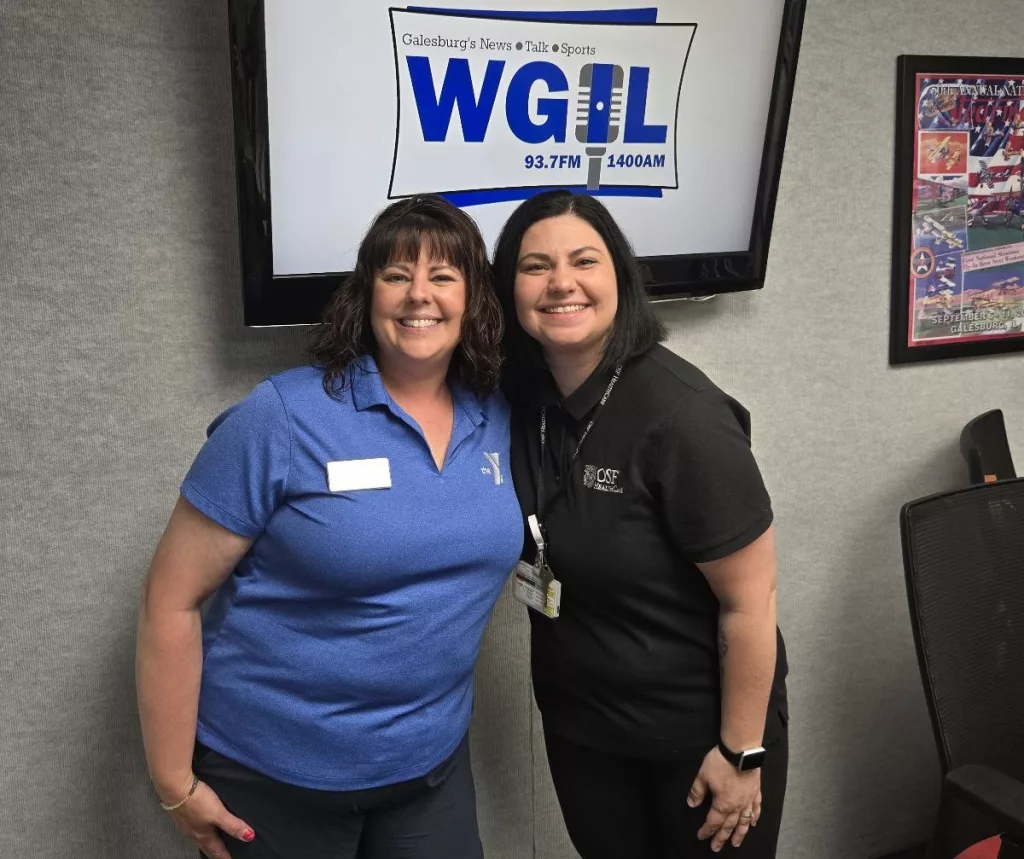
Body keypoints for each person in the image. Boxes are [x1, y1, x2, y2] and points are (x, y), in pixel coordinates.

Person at [135, 195, 523, 859]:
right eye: (396, 275)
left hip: (428, 768)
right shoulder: (283, 415)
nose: (419, 295)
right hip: (272, 776)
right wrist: (173, 779)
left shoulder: (499, 413)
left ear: (473, 300)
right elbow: (170, 599)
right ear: (366, 295)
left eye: (443, 276)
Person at [493, 190, 789, 858]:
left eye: (583, 261)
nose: (561, 282)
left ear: (620, 279)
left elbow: (752, 600)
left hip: (699, 748)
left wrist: (740, 752)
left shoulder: (683, 416)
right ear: (509, 288)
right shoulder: (524, 398)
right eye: (535, 265)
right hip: (585, 739)